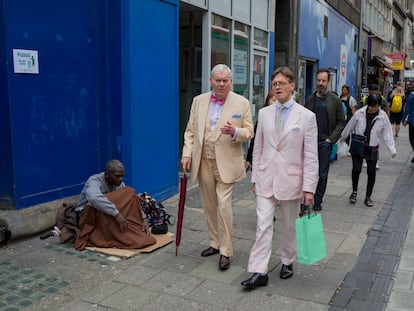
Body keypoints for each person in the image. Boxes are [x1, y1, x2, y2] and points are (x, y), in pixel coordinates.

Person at [240, 67, 319, 289]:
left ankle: (287, 260)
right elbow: (258, 148)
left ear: (292, 86)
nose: (277, 87)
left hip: (292, 180)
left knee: (289, 225)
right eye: (274, 84)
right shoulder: (265, 113)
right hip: (266, 178)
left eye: (282, 83)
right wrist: (255, 178)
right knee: (263, 225)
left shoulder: (306, 116)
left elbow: (311, 155)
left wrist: (309, 187)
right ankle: (259, 270)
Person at [181, 64, 254, 271]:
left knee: (223, 207)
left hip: (227, 162)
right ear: (211, 81)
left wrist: (235, 132)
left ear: (231, 82)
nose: (221, 84)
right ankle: (214, 242)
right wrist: (187, 154)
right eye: (218, 80)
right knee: (209, 206)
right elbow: (190, 131)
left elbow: (249, 131)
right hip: (203, 160)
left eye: (226, 81)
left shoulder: (242, 103)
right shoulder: (198, 101)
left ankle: (226, 251)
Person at [73, 159, 156, 250]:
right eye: (117, 176)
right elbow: (94, 198)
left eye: (122, 176)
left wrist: (143, 218)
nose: (121, 179)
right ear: (107, 174)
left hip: (105, 214)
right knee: (128, 192)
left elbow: (130, 200)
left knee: (129, 193)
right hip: (88, 215)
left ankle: (125, 234)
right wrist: (117, 214)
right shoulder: (94, 181)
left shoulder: (119, 183)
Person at [339, 94, 396, 207]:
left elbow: (388, 133)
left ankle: (368, 196)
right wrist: (341, 139)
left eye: (375, 107)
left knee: (371, 172)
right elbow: (349, 126)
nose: (372, 109)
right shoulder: (359, 113)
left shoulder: (383, 116)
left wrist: (392, 149)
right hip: (358, 145)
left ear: (379, 106)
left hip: (372, 147)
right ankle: (354, 191)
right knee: (356, 169)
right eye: (370, 106)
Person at [304, 68, 346, 211]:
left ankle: (318, 202)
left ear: (328, 82)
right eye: (318, 80)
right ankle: (304, 203)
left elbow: (342, 121)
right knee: (307, 173)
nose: (320, 83)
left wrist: (331, 139)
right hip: (309, 143)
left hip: (325, 143)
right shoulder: (310, 99)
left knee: (322, 175)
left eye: (323, 81)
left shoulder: (334, 100)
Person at [245, 89, 277, 171]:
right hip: (263, 159)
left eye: (278, 100)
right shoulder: (262, 117)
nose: (276, 103)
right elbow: (255, 140)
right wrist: (249, 159)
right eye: (273, 100)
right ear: (268, 101)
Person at [402, 86, 414, 163]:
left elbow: (408, 108)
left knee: (412, 138)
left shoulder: (412, 95)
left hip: (413, 120)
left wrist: (404, 119)